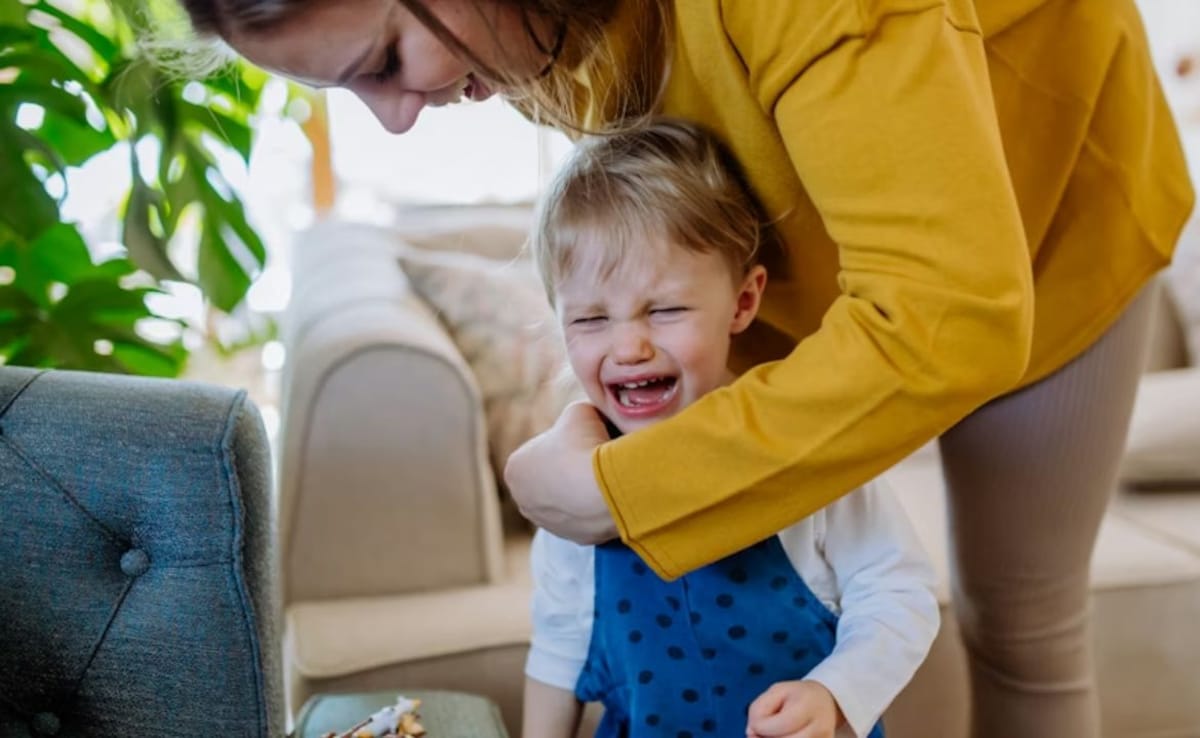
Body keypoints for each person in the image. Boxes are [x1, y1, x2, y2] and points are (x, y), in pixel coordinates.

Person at [164, 1, 1196, 735]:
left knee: (1024, 624)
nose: (393, 115)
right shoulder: (529, 38)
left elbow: (948, 315)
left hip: (1047, 223)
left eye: (385, 58)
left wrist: (625, 487)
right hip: (838, 273)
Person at [521, 119, 939, 738]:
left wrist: (836, 693)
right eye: (589, 319)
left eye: (663, 310)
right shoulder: (575, 484)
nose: (629, 346)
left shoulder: (796, 442)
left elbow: (897, 593)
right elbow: (559, 647)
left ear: (743, 302)